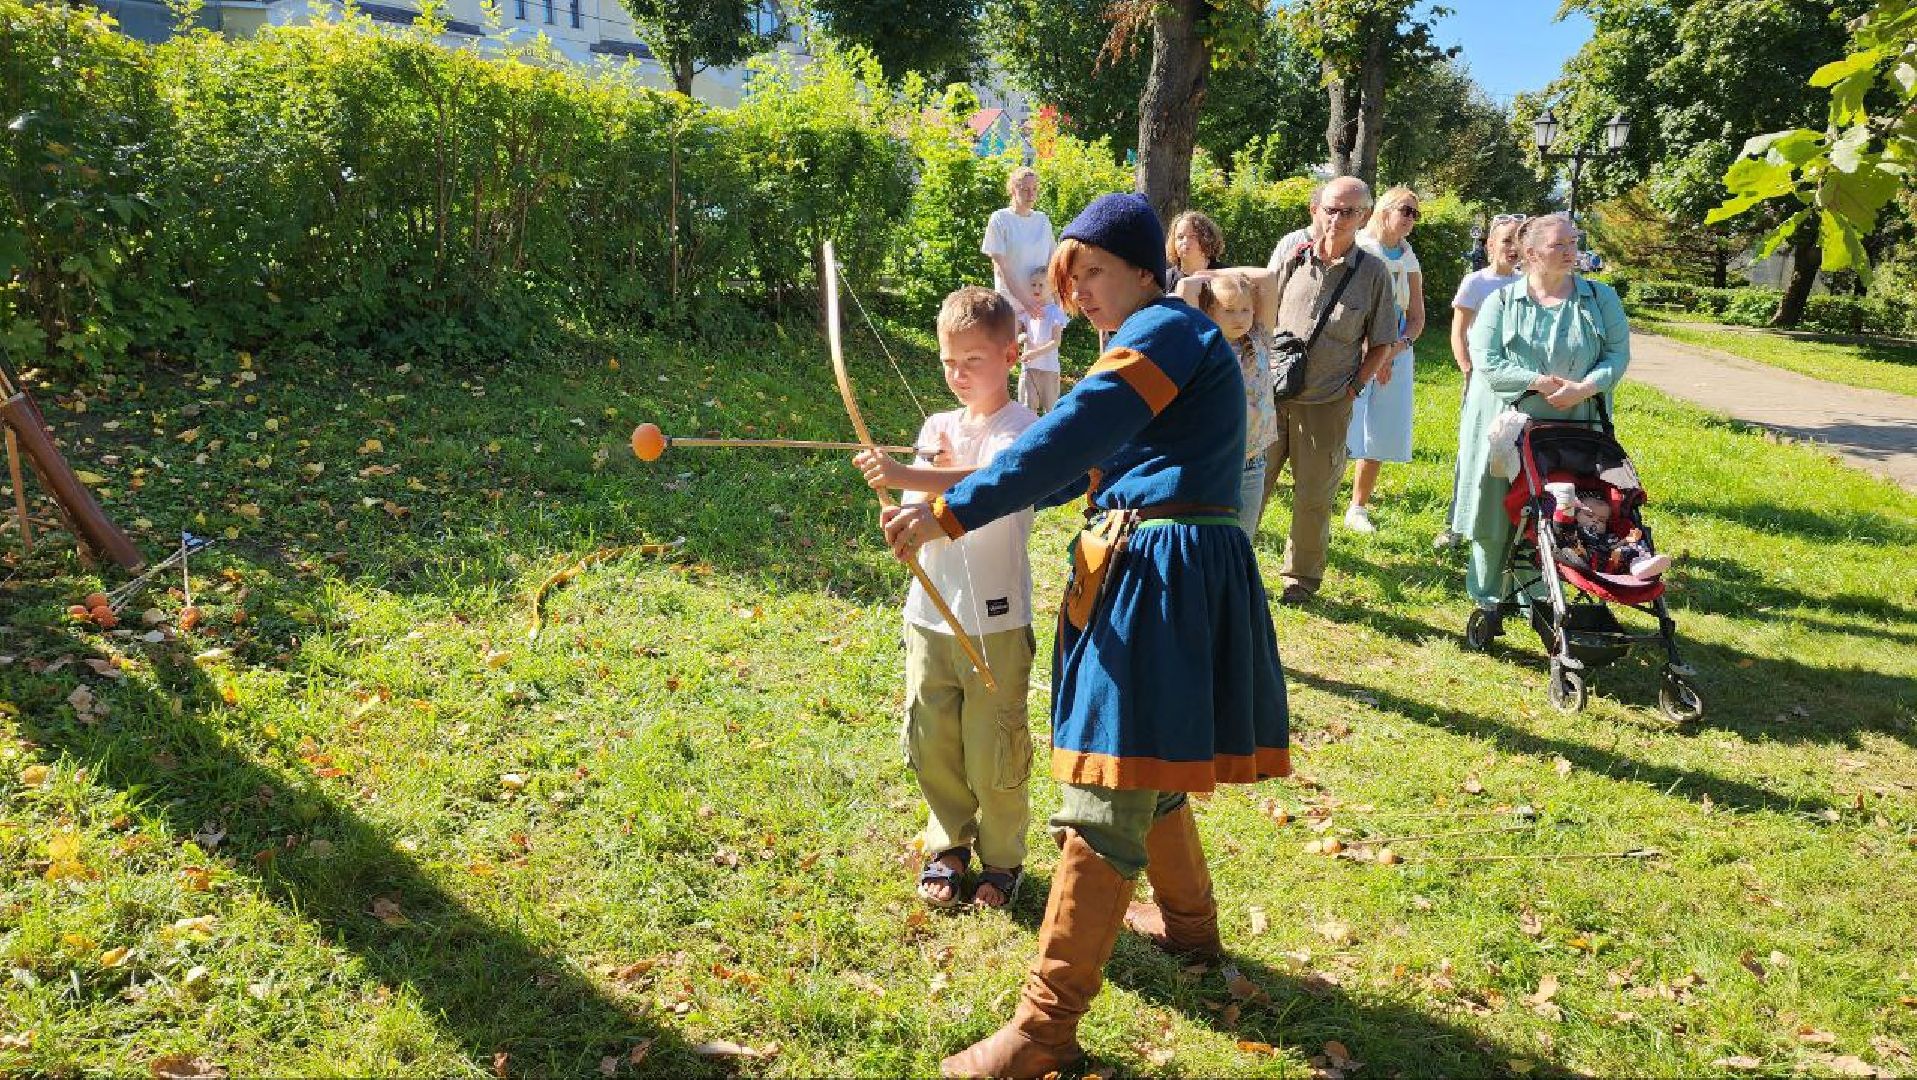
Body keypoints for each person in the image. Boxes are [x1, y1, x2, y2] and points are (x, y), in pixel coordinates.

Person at [880, 193, 1289, 1079]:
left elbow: (1067, 437)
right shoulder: (1152, 346)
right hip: (1161, 560)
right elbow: (1072, 470)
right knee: (1150, 758)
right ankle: (1191, 935)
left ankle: (1041, 1031)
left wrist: (948, 513)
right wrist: (932, 482)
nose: (1082, 293)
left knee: (1109, 786)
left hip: (1164, 569)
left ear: (1146, 266)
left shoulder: (1168, 333)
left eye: (1093, 272)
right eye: (1071, 280)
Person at [853, 286, 1041, 912]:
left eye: (973, 361)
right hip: (930, 616)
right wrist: (900, 525)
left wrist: (908, 476)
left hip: (995, 620)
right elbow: (915, 515)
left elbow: (991, 485)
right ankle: (949, 844)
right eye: (947, 362)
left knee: (995, 745)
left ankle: (1004, 857)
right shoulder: (936, 428)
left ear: (1011, 355)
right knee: (933, 737)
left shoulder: (1023, 431)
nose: (958, 374)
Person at [1457, 213, 1631, 618]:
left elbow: (1617, 355)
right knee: (1497, 508)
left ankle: (1541, 593)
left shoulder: (1601, 298)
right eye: (1560, 245)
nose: (1571, 251)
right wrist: (1539, 381)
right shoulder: (1501, 301)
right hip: (1508, 424)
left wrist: (1584, 388)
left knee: (1565, 504)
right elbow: (1487, 360)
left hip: (1576, 423)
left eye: (1574, 242)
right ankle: (1488, 596)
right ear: (1531, 253)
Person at [1260, 176, 1399, 605]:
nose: (1337, 219)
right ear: (1315, 211)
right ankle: (1230, 563)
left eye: (1349, 212)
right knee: (1249, 485)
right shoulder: (1292, 257)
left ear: (1364, 218)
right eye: (1331, 209)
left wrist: (1353, 388)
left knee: (1313, 496)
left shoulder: (1373, 272)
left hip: (1327, 401)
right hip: (1272, 395)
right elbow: (1261, 318)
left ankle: (1300, 580)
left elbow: (1382, 342)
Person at [1434, 215, 1524, 549]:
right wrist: (1468, 369)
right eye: (1506, 240)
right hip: (1482, 380)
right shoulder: (1476, 283)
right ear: (1489, 246)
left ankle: (1505, 524)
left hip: (1514, 381)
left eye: (1518, 241)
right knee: (1472, 449)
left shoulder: (1525, 283)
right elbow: (1459, 332)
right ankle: (1456, 523)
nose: (1512, 248)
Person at [1342, 185, 1426, 534]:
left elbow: (1418, 315)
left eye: (1415, 214)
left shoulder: (1408, 256)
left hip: (1397, 351)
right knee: (1343, 424)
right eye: (1405, 210)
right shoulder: (1360, 247)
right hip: (1355, 349)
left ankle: (1357, 507)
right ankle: (1320, 494)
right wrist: (1373, 351)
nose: (1410, 219)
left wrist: (1394, 348)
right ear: (1385, 210)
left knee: (1379, 429)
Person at [1178, 271, 1280, 540]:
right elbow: (1186, 289)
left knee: (1243, 538)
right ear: (1210, 312)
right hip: (1213, 459)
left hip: (1252, 459)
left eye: (1246, 310)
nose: (1240, 318)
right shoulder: (1201, 345)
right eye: (1229, 310)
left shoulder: (1259, 339)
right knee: (1205, 537)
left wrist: (1221, 275)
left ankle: (1234, 583)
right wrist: (1202, 281)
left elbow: (1268, 278)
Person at [983, 167, 1055, 319]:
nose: (1031, 194)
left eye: (1034, 189)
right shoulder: (999, 219)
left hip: (1041, 307)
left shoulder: (1043, 220)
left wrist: (1057, 301)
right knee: (1011, 343)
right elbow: (1002, 268)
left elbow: (1052, 263)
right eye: (1025, 189)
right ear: (1013, 190)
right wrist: (1025, 302)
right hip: (1010, 306)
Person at [1016, 267, 1070, 415]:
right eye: (1033, 285)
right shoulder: (1027, 311)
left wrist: (1034, 353)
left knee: (1050, 410)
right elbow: (1019, 334)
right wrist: (1022, 338)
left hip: (1049, 369)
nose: (1036, 289)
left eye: (1041, 285)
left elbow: (1056, 341)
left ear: (1051, 288)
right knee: (1027, 408)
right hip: (1029, 369)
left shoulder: (1055, 312)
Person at [1164, 209, 1225, 292]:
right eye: (1180, 237)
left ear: (1207, 239)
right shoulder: (1164, 281)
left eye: (1192, 236)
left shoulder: (1225, 276)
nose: (1185, 241)